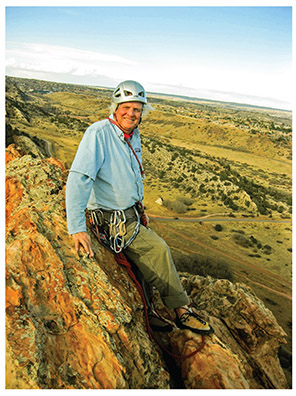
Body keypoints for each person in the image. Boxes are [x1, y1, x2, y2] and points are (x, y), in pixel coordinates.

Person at [65, 80, 213, 335]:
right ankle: (182, 311)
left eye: (137, 110)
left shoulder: (132, 135)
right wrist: (77, 228)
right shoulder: (99, 133)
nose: (131, 114)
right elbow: (80, 178)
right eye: (127, 107)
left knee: (142, 265)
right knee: (158, 250)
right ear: (116, 107)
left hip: (131, 213)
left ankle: (149, 311)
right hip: (112, 219)